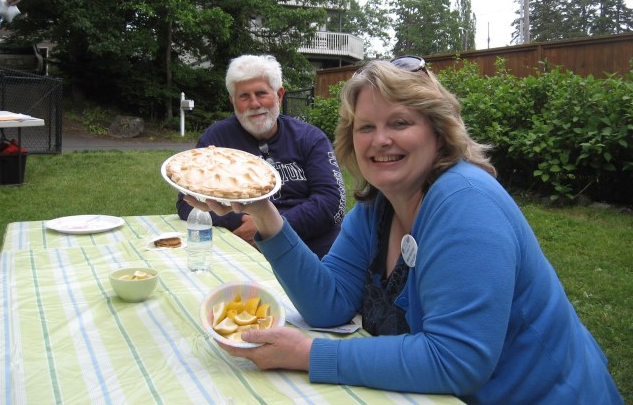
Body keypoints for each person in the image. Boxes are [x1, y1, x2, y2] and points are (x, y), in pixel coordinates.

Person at [205, 57, 623, 404]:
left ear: (438, 133)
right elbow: (327, 304)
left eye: (400, 122)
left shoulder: (465, 201)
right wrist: (263, 211)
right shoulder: (378, 205)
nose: (380, 139)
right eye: (365, 127)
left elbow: (455, 360)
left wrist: (311, 354)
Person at [177, 54, 345, 259]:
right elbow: (187, 202)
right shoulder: (217, 138)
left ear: (279, 95)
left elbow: (332, 203)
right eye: (244, 96)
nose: (254, 103)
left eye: (261, 93)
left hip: (311, 251)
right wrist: (240, 221)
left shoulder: (310, 138)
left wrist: (268, 224)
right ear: (232, 101)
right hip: (243, 253)